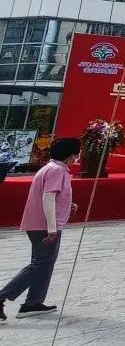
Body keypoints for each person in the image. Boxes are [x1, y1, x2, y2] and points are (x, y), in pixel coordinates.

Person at [0, 137, 80, 321]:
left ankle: (33, 302)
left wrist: (68, 205)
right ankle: (3, 295)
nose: (77, 157)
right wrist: (52, 227)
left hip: (39, 223)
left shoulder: (50, 168)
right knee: (41, 264)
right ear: (70, 155)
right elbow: (48, 197)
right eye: (76, 153)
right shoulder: (57, 170)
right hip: (44, 224)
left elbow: (52, 197)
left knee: (44, 263)